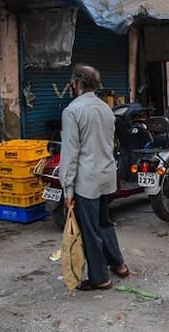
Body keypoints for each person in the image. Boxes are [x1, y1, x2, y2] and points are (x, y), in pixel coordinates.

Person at [61, 65, 129, 291]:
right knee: (105, 222)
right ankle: (118, 264)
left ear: (76, 84)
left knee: (90, 230)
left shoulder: (73, 111)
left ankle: (100, 277)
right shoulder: (105, 108)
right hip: (106, 175)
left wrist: (67, 190)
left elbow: (71, 153)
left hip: (87, 180)